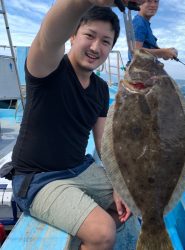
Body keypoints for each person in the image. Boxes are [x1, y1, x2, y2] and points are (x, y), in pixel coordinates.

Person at [9, 1, 143, 249]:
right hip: (38, 179)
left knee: (130, 201)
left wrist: (117, 182)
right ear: (72, 36)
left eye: (105, 41)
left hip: (78, 168)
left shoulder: (101, 89)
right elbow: (49, 35)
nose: (95, 47)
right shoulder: (48, 68)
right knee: (103, 233)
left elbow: (103, 142)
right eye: (89, 35)